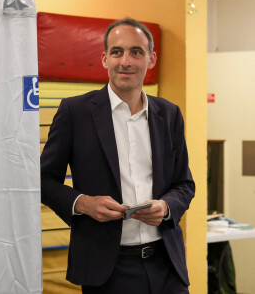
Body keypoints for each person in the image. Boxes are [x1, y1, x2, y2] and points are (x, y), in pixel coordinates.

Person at [41, 18, 195, 294]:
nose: (126, 61)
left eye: (136, 52)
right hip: (107, 271)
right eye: (117, 52)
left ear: (151, 59)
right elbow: (42, 181)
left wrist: (167, 206)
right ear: (104, 59)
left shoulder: (169, 114)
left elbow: (184, 184)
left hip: (167, 266)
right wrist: (83, 203)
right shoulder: (75, 112)